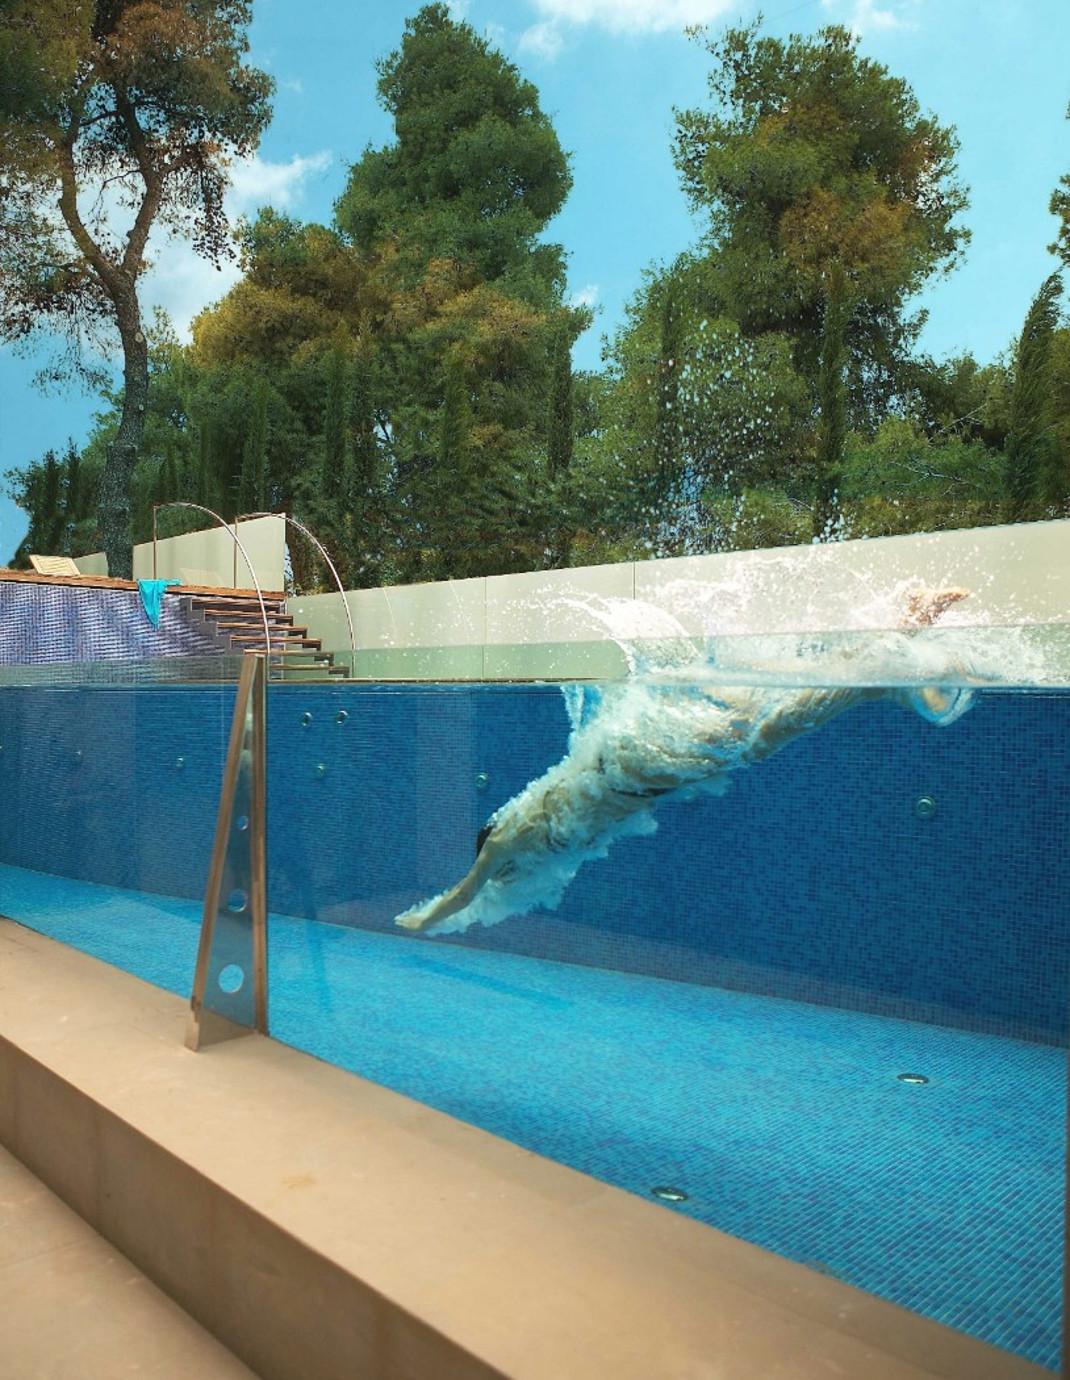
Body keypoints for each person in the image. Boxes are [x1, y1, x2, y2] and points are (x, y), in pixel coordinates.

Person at [395, 587, 973, 937]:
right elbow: (484, 898)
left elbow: (466, 892)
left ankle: (889, 658)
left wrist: (423, 919)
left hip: (635, 766)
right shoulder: (539, 847)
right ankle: (888, 655)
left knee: (758, 734)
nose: (501, 879)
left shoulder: (507, 842)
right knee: (756, 716)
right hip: (639, 769)